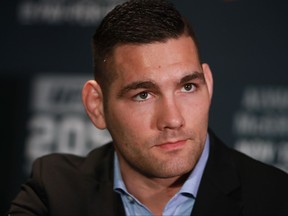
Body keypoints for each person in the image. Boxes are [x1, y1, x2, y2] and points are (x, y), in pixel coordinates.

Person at [8, 0, 288, 215]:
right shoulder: (57, 194)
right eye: (144, 95)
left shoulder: (274, 198)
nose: (173, 119)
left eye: (187, 87)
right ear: (97, 106)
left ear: (209, 85)